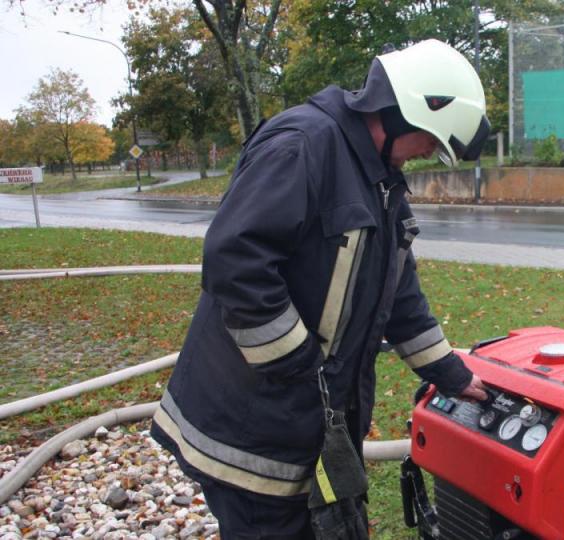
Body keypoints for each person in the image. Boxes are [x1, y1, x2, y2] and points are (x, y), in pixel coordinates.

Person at [150, 39, 490, 539]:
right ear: (405, 111)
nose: (425, 154)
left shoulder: (379, 180)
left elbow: (400, 297)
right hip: (253, 435)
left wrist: (452, 375)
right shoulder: (304, 145)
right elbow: (234, 261)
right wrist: (298, 364)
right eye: (429, 139)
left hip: (305, 421)